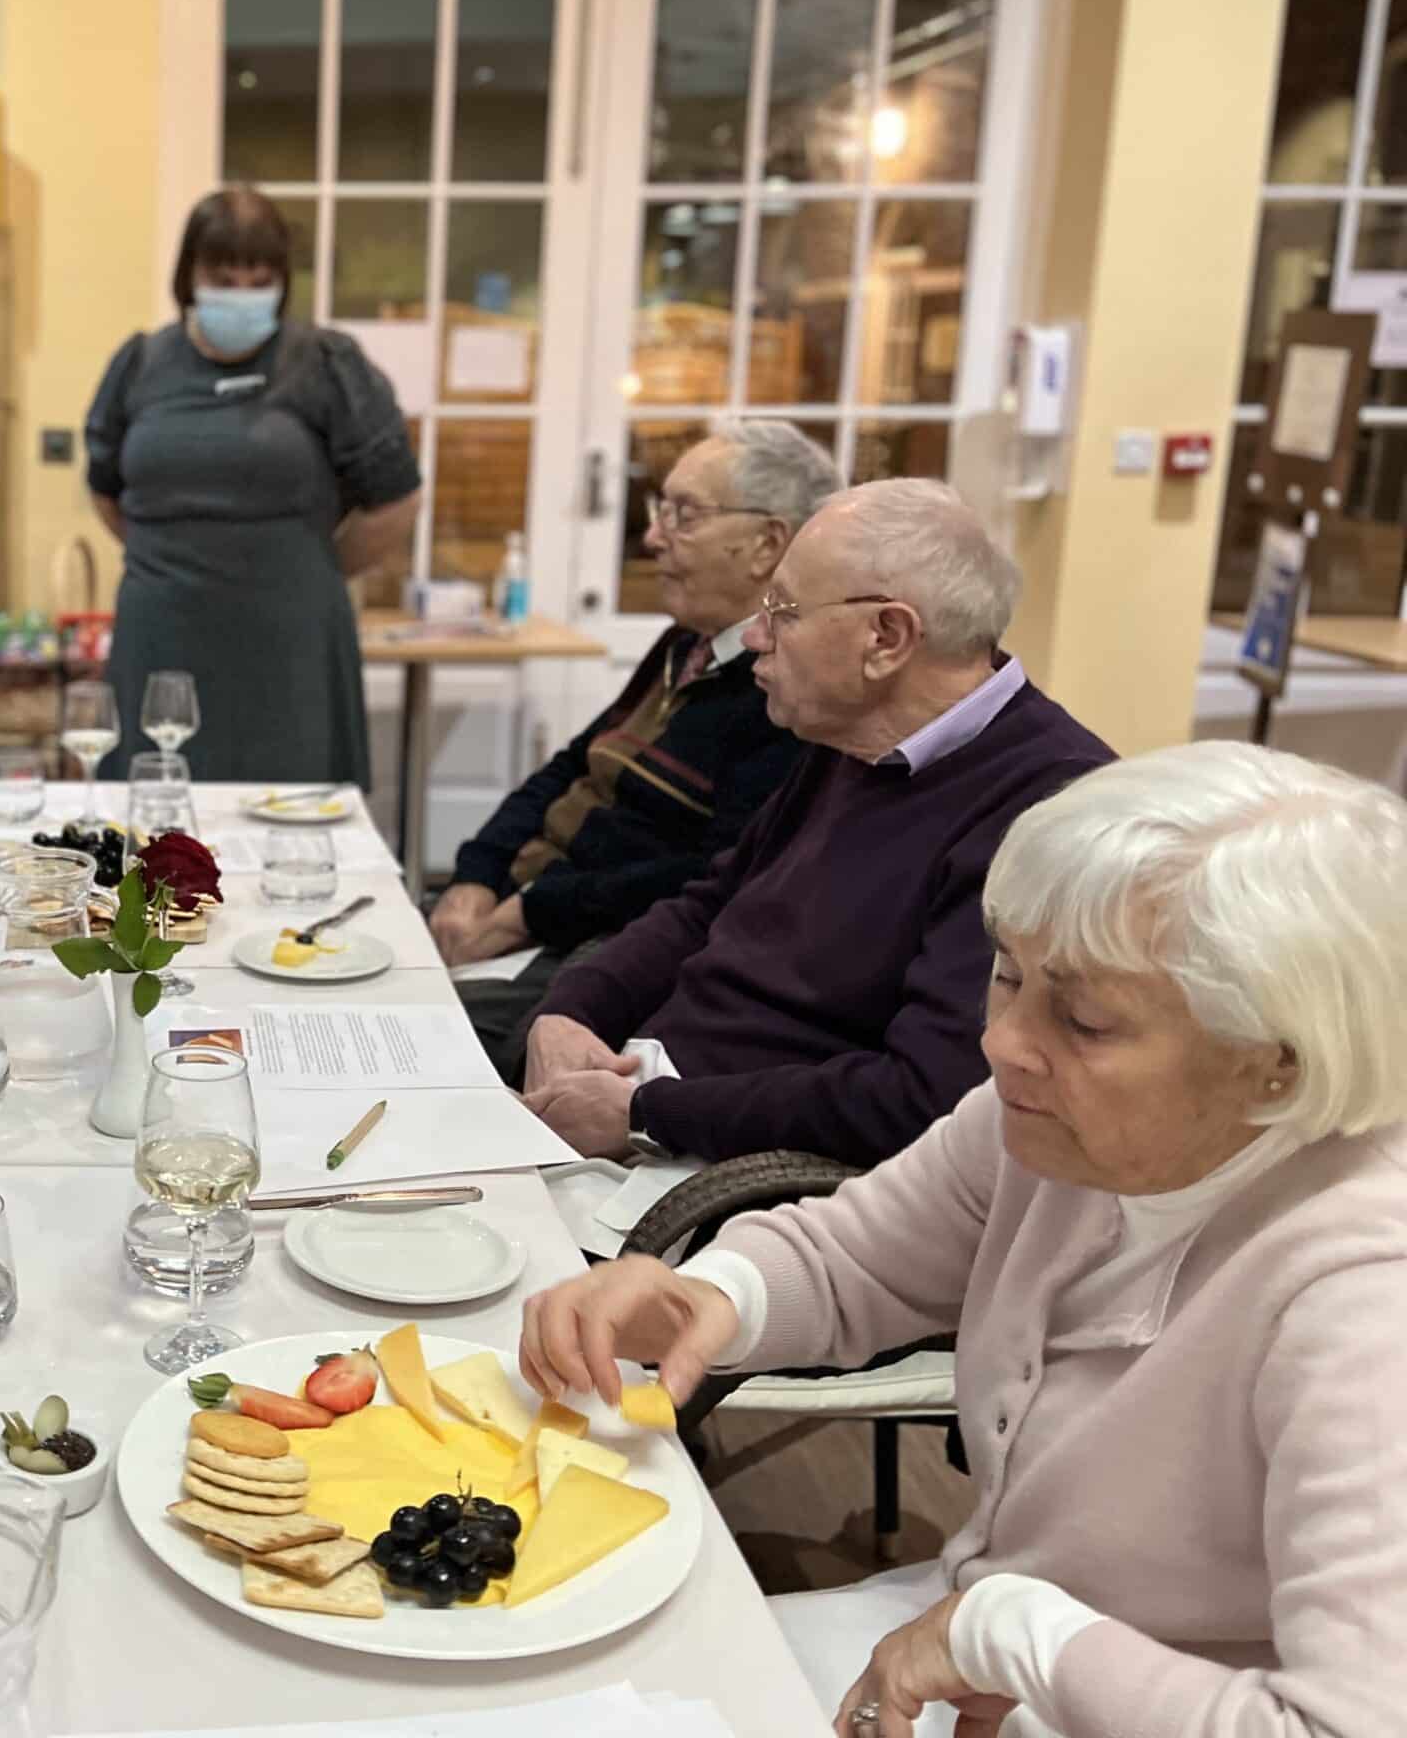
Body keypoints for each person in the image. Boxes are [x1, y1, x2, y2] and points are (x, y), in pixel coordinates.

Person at [518, 742, 1407, 1738]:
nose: (1001, 1042)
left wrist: (1010, 1630)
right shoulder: (1044, 1120)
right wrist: (714, 1296)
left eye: (1081, 1017)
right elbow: (854, 1254)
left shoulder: (1365, 1302)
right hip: (969, 1647)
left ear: (1273, 1067)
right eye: (1006, 975)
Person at [517, 479, 1112, 1168]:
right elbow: (706, 907)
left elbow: (925, 1097)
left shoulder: (1049, 808)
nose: (756, 637)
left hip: (735, 1179)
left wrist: (645, 1115)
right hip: (646, 1106)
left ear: (886, 638)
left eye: (782, 610)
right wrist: (571, 1010)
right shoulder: (854, 736)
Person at [437, 420, 839, 1081]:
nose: (653, 537)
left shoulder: (783, 692)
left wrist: (528, 910)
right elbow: (573, 764)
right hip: (527, 907)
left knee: (399, 1037)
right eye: (662, 511)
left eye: (684, 515)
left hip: (587, 943)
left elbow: (711, 874)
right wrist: (475, 875)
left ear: (767, 544)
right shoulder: (686, 645)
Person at [85, 186, 422, 789]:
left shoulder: (326, 364)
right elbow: (106, 489)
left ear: (282, 282)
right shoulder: (139, 364)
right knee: (152, 831)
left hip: (290, 647)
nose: (240, 293)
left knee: (292, 822)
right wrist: (174, 559)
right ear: (189, 274)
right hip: (161, 635)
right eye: (223, 276)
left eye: (257, 278)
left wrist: (306, 566)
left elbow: (397, 499)